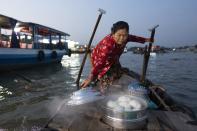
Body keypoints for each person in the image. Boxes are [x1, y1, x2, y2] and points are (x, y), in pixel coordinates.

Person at [80, 21, 153, 89]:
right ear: (113, 33)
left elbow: (134, 38)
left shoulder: (126, 37)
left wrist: (146, 40)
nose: (122, 38)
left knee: (118, 71)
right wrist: (91, 76)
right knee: (104, 75)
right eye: (119, 35)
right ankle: (100, 79)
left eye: (125, 35)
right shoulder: (108, 44)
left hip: (114, 56)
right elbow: (101, 62)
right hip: (99, 57)